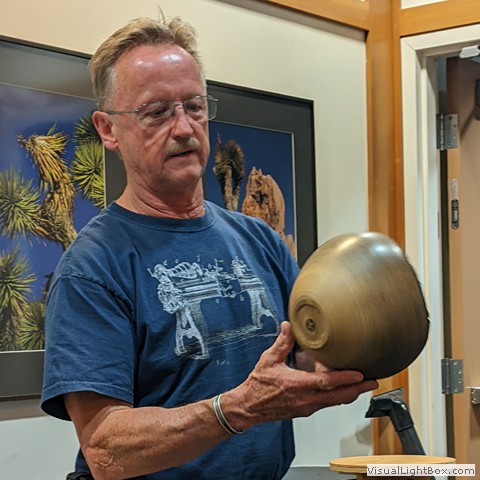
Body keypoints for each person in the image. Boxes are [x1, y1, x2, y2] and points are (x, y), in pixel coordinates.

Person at [41, 15, 378, 480]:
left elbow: (304, 355)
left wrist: (361, 335)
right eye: (157, 112)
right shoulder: (93, 266)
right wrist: (239, 408)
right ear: (108, 130)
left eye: (194, 106)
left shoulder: (259, 238)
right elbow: (105, 449)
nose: (184, 128)